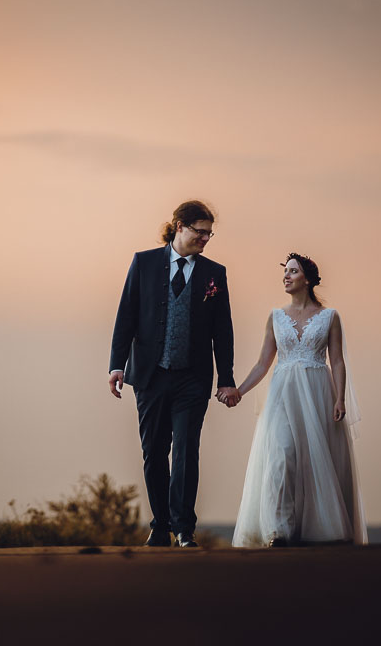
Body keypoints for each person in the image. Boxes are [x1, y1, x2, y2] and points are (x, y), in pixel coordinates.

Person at [108, 200, 236, 547]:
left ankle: (184, 528)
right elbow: (126, 316)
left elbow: (222, 331)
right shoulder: (144, 263)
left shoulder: (214, 273)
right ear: (179, 226)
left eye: (209, 233)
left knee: (185, 450)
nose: (205, 239)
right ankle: (160, 524)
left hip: (193, 378)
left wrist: (226, 378)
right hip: (150, 376)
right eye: (200, 231)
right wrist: (117, 365)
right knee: (154, 451)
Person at [224, 253, 367, 547]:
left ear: (309, 279)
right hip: (282, 394)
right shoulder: (276, 316)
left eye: (293, 271)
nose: (286, 276)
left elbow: (337, 361)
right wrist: (240, 389)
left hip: (317, 392)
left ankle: (318, 528)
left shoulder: (330, 317)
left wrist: (339, 399)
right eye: (285, 271)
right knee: (282, 455)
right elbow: (263, 362)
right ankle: (279, 530)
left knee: (316, 459)